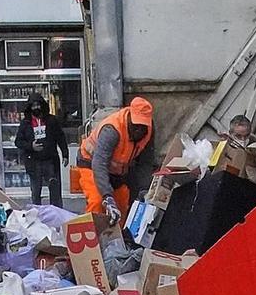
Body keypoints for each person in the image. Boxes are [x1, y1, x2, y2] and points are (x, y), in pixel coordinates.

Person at [72, 96, 155, 225]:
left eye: (143, 125)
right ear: (129, 118)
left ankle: (118, 241)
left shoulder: (148, 131)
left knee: (122, 205)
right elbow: (99, 164)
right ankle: (92, 242)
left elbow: (146, 163)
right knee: (97, 202)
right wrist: (107, 196)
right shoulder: (112, 130)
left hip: (117, 171)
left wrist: (145, 190)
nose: (139, 130)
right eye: (136, 125)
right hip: (91, 164)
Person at [14, 93, 68, 206]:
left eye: (38, 105)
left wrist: (65, 154)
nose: (36, 108)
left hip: (50, 160)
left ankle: (57, 214)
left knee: (55, 191)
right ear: (29, 108)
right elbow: (18, 141)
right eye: (33, 106)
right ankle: (37, 216)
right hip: (33, 162)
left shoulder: (51, 120)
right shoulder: (25, 123)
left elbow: (60, 137)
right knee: (35, 192)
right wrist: (30, 146)